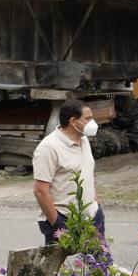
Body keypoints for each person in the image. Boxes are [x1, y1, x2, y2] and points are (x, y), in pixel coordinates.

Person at [32, 99, 105, 244]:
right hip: (63, 218)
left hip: (91, 216)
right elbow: (40, 191)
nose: (93, 123)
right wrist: (58, 223)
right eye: (88, 119)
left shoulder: (84, 140)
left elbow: (86, 173)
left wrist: (96, 205)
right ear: (73, 121)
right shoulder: (49, 147)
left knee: (99, 264)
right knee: (58, 266)